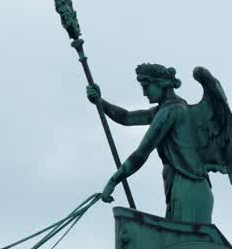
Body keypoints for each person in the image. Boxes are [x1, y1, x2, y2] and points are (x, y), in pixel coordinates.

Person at [88, 63, 215, 224]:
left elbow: (142, 152)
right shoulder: (164, 110)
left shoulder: (173, 111)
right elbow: (127, 118)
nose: (144, 93)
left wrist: (113, 181)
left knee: (184, 244)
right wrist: (100, 102)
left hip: (190, 188)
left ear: (161, 84)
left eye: (146, 86)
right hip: (181, 186)